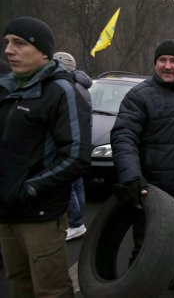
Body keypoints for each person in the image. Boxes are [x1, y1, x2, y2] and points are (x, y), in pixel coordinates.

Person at [110, 39, 174, 290]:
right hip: (152, 188)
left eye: (173, 61)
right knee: (146, 240)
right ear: (156, 63)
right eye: (162, 60)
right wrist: (132, 177)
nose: (167, 66)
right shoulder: (139, 95)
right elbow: (123, 137)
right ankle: (138, 284)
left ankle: (172, 268)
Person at [0, 16, 91, 297]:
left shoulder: (60, 90)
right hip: (6, 212)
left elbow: (76, 156)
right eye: (6, 43)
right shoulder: (7, 88)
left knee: (50, 291)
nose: (8, 50)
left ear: (43, 52)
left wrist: (28, 189)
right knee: (19, 284)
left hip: (40, 215)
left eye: (19, 43)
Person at [53, 51, 93, 241]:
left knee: (67, 185)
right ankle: (78, 221)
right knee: (77, 184)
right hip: (79, 142)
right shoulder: (82, 85)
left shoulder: (70, 87)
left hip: (68, 143)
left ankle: (76, 223)